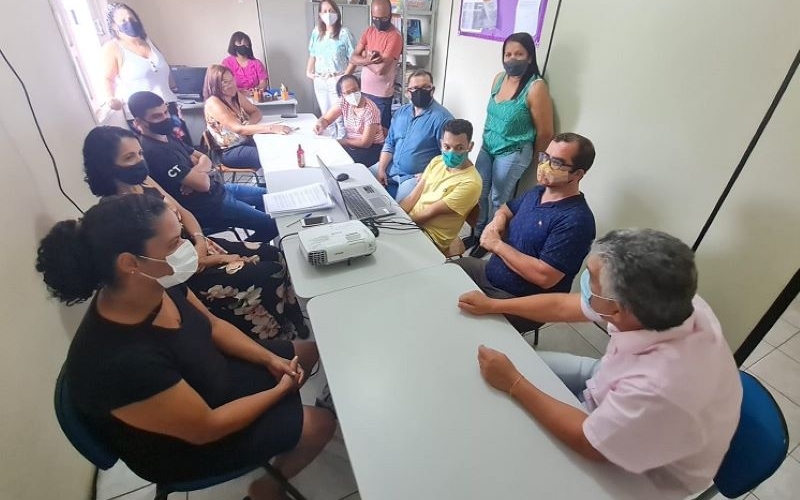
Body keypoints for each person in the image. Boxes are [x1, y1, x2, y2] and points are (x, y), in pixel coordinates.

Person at [36, 195, 335, 500]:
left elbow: (213, 326)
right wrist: (279, 391)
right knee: (321, 425)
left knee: (308, 353)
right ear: (130, 263)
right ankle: (266, 488)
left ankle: (280, 425)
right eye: (174, 243)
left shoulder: (158, 280)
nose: (187, 249)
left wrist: (270, 359)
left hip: (205, 381)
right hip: (187, 445)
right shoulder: (121, 361)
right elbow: (207, 427)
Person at [458, 228, 743, 498]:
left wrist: (515, 383)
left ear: (617, 309)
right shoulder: (668, 300)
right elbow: (563, 306)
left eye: (591, 276)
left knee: (509, 454)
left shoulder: (660, 387)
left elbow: (589, 442)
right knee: (513, 363)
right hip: (613, 381)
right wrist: (494, 305)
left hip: (640, 473)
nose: (585, 279)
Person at [82, 125, 307, 340]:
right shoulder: (119, 213)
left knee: (273, 253)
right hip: (184, 272)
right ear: (106, 167)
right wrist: (214, 258)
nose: (140, 161)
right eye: (129, 157)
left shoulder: (144, 182)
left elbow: (183, 212)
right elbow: (163, 267)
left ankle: (290, 316)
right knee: (268, 272)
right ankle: (275, 334)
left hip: (196, 246)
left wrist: (200, 241)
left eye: (140, 153)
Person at [453, 133, 596, 298]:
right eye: (545, 157)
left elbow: (545, 277)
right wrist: (498, 221)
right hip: (490, 273)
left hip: (514, 298)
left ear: (577, 174)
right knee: (449, 268)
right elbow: (506, 209)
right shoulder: (538, 191)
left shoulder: (576, 221)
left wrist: (497, 245)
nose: (545, 166)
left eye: (556, 163)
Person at [128, 92, 279, 243]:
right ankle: (249, 251)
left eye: (165, 112)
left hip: (219, 189)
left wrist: (195, 173)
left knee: (270, 197)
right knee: (272, 226)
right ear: (139, 122)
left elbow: (204, 158)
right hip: (208, 207)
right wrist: (200, 173)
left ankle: (259, 228)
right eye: (157, 116)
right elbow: (203, 184)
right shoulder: (154, 152)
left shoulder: (167, 136)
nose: (165, 118)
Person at [472, 32, 554, 252]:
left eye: (519, 54)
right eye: (508, 54)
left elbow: (546, 132)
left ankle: (491, 241)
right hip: (488, 146)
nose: (512, 59)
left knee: (498, 198)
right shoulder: (499, 79)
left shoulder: (536, 87)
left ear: (530, 57)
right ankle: (477, 233)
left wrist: (536, 162)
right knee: (479, 191)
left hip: (513, 151)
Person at [100, 3, 191, 144]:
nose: (129, 22)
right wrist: (110, 98)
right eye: (123, 21)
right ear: (113, 26)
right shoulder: (113, 48)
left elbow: (161, 71)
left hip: (168, 108)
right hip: (146, 117)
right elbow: (107, 78)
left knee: (186, 150)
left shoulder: (148, 41)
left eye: (132, 18)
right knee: (161, 153)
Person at [369, 69, 453, 201]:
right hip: (391, 166)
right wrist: (381, 169)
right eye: (415, 88)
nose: (420, 92)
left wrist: (428, 175)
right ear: (408, 92)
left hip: (414, 177)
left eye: (425, 87)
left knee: (399, 209)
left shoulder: (443, 119)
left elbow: (447, 157)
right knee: (360, 180)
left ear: (432, 90)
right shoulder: (402, 112)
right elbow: (390, 143)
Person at [399, 119, 481, 254]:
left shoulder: (471, 183)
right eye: (447, 147)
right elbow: (413, 196)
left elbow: (430, 212)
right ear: (441, 143)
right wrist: (396, 215)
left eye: (459, 148)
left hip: (430, 237)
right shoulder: (437, 161)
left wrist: (400, 224)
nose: (451, 153)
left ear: (470, 146)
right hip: (412, 223)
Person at [203, 64, 293, 168]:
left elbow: (256, 112)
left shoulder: (235, 95)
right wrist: (272, 128)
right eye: (225, 82)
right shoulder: (213, 102)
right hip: (230, 151)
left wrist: (249, 123)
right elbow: (238, 129)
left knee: (280, 146)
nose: (231, 85)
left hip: (247, 141)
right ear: (214, 85)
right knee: (272, 156)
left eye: (232, 80)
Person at [349, 0, 403, 131]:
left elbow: (380, 70)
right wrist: (369, 59)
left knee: (380, 134)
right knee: (364, 131)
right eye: (375, 18)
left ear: (390, 15)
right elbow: (353, 57)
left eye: (383, 18)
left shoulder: (395, 37)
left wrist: (363, 55)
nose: (379, 22)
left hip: (381, 97)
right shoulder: (369, 31)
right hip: (364, 92)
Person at [306, 0, 355, 138]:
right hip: (320, 80)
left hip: (337, 79)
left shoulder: (344, 33)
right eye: (325, 11)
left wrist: (344, 78)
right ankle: (332, 143)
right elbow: (313, 54)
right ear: (320, 14)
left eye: (331, 11)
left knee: (340, 118)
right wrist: (308, 72)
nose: (328, 14)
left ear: (337, 13)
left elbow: (354, 59)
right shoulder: (316, 32)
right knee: (325, 117)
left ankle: (343, 145)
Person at [313, 75, 385, 167]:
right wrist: (321, 124)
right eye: (347, 92)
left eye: (355, 90)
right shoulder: (344, 102)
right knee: (328, 155)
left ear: (360, 88)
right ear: (342, 94)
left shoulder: (370, 109)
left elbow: (366, 143)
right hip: (353, 144)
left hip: (372, 148)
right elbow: (326, 119)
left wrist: (341, 142)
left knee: (343, 163)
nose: (352, 95)